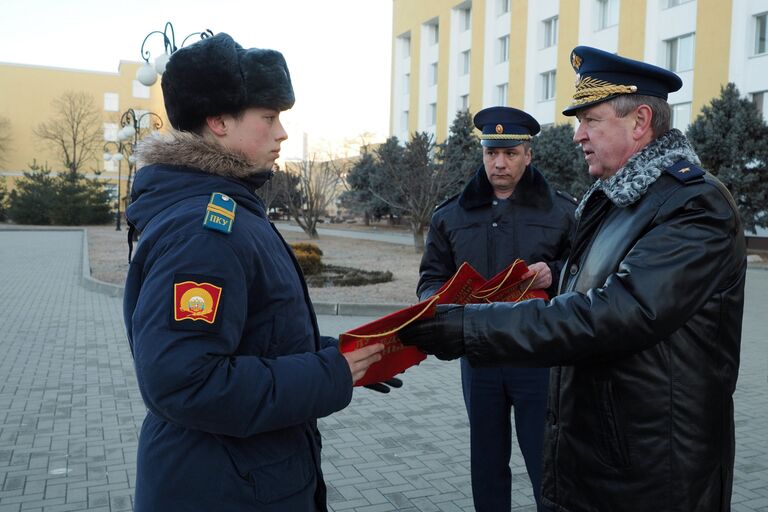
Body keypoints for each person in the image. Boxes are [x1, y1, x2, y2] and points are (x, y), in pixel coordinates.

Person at [400, 45, 746, 511]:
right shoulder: (614, 201)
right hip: (606, 453)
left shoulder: (693, 205)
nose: (577, 135)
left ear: (640, 121)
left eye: (590, 120)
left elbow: (616, 314)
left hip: (653, 472)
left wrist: (470, 325)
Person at [122, 33, 397, 512]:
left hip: (243, 475)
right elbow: (186, 382)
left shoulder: (228, 210)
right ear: (219, 121)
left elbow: (255, 339)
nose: (282, 133)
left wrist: (342, 357)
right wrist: (326, 373)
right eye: (268, 118)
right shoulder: (204, 230)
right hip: (220, 487)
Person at [417, 106, 575, 511]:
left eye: (510, 153)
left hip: (538, 356)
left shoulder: (561, 211)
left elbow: (584, 272)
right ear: (483, 153)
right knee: (486, 462)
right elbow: (430, 280)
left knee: (547, 463)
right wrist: (439, 305)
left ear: (528, 154)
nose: (499, 163)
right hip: (479, 357)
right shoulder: (451, 215)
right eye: (491, 153)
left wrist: (553, 273)